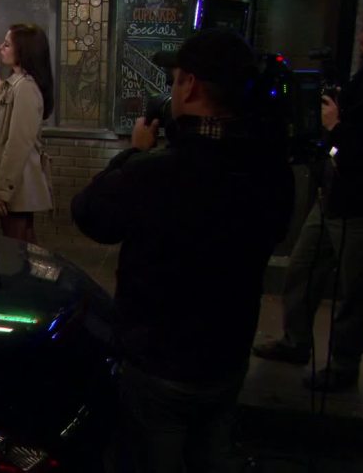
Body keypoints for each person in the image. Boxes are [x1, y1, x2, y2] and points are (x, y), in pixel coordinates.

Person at [71, 29, 294, 472]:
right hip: (227, 358)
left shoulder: (156, 173)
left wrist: (133, 155)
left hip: (159, 366)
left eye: (174, 80)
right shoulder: (272, 172)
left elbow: (90, 214)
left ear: (189, 85)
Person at [252, 2, 363, 392]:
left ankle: (344, 366)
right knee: (302, 270)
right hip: (331, 196)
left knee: (354, 292)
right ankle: (296, 342)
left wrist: (336, 127)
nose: (362, 37)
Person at [0, 24, 54, 243]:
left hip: (19, 184)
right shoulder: (13, 84)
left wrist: (3, 190)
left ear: (23, 51)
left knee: (16, 247)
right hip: (16, 183)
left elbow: (18, 143)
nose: (0, 47)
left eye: (7, 44)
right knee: (21, 244)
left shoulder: (25, 87)